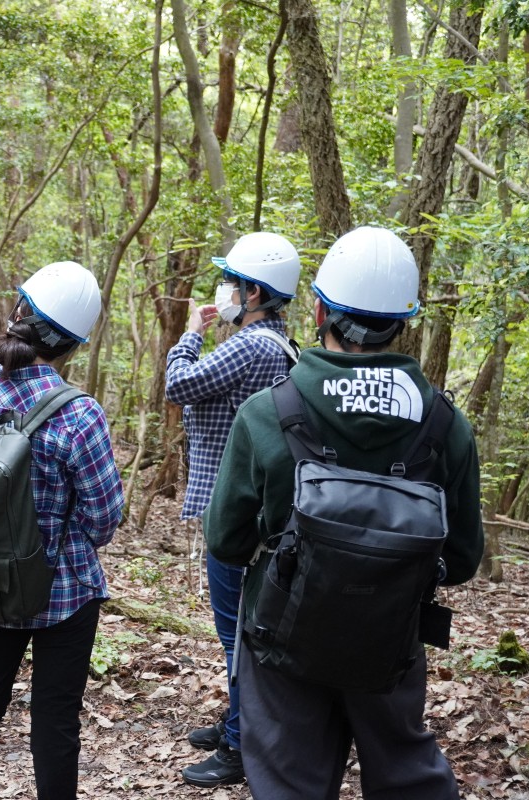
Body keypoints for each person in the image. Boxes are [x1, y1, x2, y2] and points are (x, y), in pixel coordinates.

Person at [204, 226, 484, 798]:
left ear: (318, 310)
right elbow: (460, 559)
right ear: (403, 323)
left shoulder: (268, 412)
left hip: (281, 637)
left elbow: (227, 541)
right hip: (391, 639)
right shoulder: (444, 425)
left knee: (288, 780)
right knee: (406, 772)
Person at [0, 261, 125, 800]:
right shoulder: (79, 414)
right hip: (63, 588)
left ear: (17, 314)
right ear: (73, 345)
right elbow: (103, 516)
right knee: (55, 717)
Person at [163, 231, 301, 787]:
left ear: (254, 293)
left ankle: (243, 745)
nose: (223, 291)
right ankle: (238, 722)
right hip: (259, 509)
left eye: (233, 283)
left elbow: (179, 385)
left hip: (235, 511)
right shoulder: (284, 346)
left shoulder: (252, 344)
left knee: (237, 634)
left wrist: (190, 336)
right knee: (246, 627)